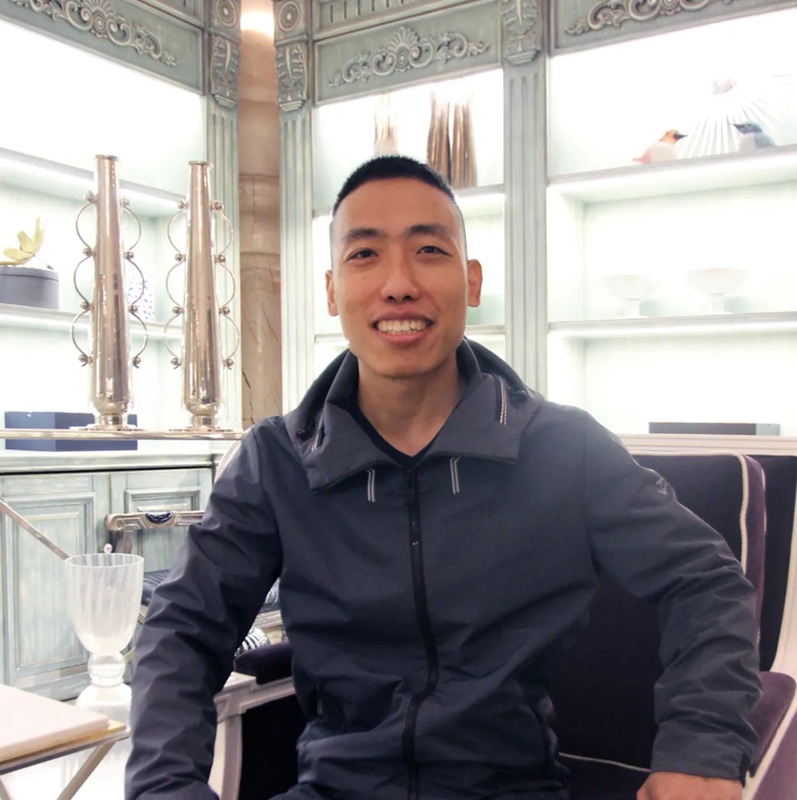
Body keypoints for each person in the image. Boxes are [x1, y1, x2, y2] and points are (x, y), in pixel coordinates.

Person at [125, 155, 760, 800]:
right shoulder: (277, 460)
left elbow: (703, 579)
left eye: (429, 249)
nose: (398, 284)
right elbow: (183, 626)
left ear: (471, 280)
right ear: (331, 290)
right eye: (365, 254)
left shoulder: (563, 449)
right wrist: (163, 785)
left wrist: (701, 751)